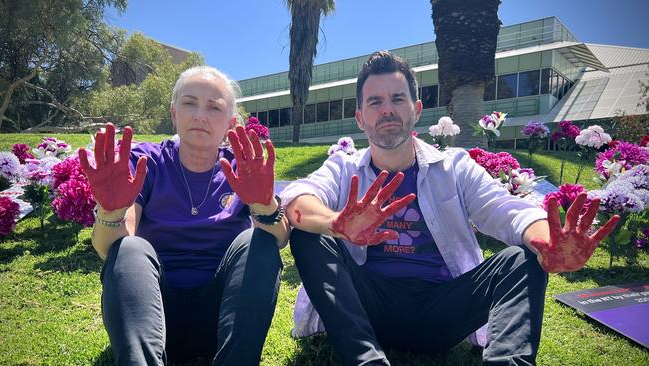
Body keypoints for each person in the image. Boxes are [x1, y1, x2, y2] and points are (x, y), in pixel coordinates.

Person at [280, 51, 619, 366]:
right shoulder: (344, 168)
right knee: (311, 237)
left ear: (416, 109)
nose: (387, 109)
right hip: (369, 308)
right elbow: (299, 198)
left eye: (397, 99)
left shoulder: (454, 166)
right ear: (360, 117)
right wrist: (337, 223)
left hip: (442, 309)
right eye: (375, 101)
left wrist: (548, 242)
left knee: (523, 256)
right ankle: (365, 360)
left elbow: (506, 209)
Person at [78, 66, 289, 365]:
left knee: (259, 241)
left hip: (221, 321)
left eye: (213, 107)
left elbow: (280, 238)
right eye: (190, 103)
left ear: (230, 124)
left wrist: (265, 206)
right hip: (154, 318)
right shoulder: (146, 162)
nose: (200, 115)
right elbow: (109, 248)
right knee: (129, 247)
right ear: (174, 112)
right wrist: (112, 212)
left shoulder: (242, 166)